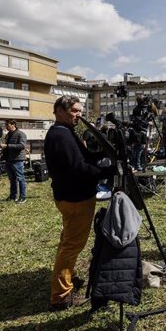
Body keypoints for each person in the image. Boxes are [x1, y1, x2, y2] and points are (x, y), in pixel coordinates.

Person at [45, 96, 116, 311]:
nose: (79, 115)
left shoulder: (65, 132)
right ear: (59, 110)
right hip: (75, 198)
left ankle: (68, 277)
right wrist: (110, 170)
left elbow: (84, 158)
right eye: (74, 111)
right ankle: (61, 296)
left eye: (79, 111)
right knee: (72, 246)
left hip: (70, 196)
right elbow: (79, 169)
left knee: (68, 241)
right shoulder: (60, 135)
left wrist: (106, 152)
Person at [0, 119, 27, 203]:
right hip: (8, 159)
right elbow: (7, 147)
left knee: (20, 178)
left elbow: (22, 146)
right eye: (5, 125)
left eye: (7, 125)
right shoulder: (8, 134)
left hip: (17, 159)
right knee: (12, 179)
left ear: (13, 124)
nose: (6, 127)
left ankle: (23, 197)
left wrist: (7, 146)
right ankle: (12, 196)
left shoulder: (20, 134)